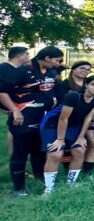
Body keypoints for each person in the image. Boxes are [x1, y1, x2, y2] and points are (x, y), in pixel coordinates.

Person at [1, 46, 63, 196]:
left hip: (43, 117)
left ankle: (41, 180)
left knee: (38, 152)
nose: (58, 63)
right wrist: (14, 110)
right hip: (24, 117)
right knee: (20, 153)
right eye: (57, 60)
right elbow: (2, 91)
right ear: (47, 58)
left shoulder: (51, 71)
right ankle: (19, 189)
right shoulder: (23, 71)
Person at [41, 74, 94, 194]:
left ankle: (71, 183)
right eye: (93, 84)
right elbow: (63, 119)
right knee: (56, 154)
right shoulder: (73, 96)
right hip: (52, 124)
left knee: (79, 150)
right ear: (86, 85)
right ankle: (49, 189)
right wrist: (60, 139)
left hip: (74, 125)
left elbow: (88, 118)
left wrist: (81, 137)